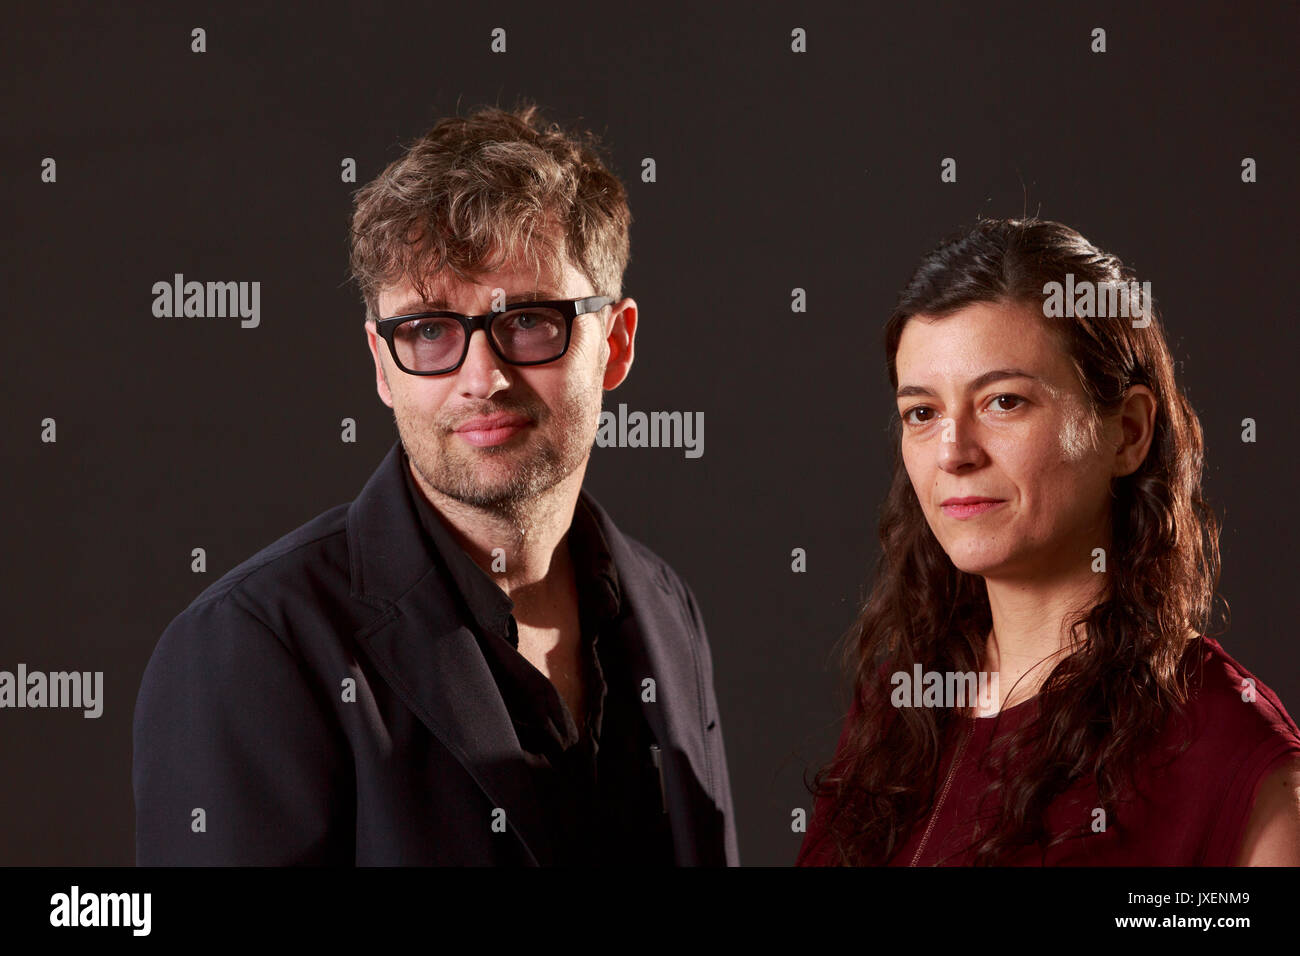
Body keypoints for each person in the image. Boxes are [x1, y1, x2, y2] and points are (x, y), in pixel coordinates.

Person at [133, 103, 737, 866]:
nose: (482, 379)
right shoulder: (251, 648)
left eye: (528, 322)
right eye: (427, 331)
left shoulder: (666, 607)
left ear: (615, 344)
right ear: (382, 366)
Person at [797, 218, 1300, 866]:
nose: (953, 452)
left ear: (1128, 432)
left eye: (1004, 401)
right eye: (922, 413)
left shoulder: (1233, 755)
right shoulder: (902, 711)